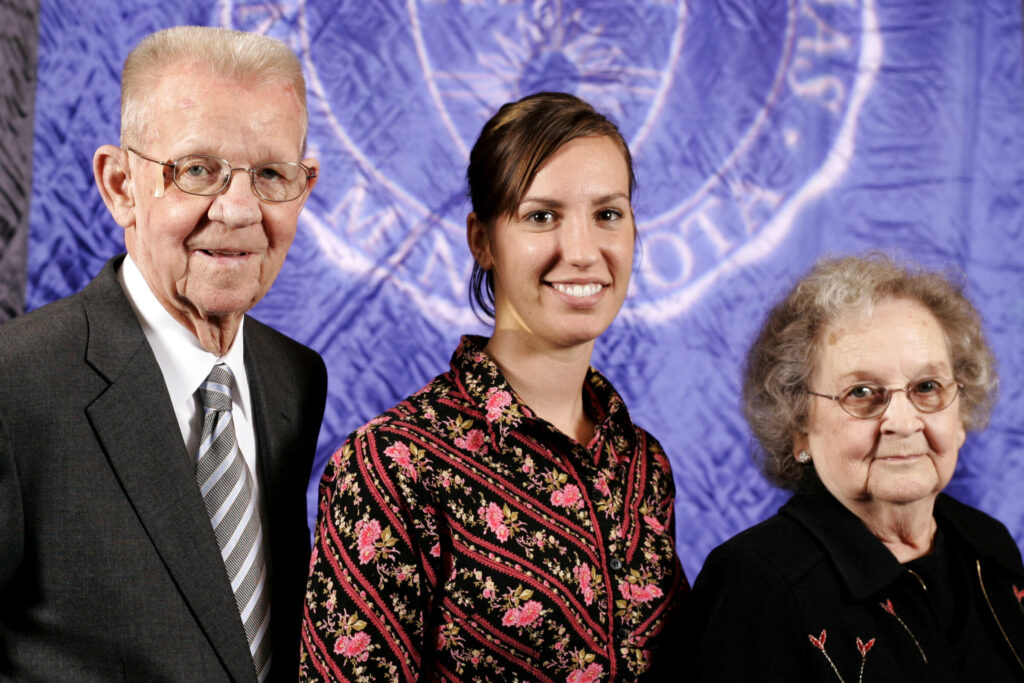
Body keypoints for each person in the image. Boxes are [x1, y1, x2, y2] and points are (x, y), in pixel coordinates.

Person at [301, 92, 686, 681]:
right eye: (541, 216)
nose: (582, 252)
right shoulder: (392, 468)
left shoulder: (641, 465)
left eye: (607, 213)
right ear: (482, 240)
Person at [0, 26, 327, 682]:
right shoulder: (15, 386)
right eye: (197, 170)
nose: (237, 210)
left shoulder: (295, 377)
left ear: (305, 185)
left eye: (270, 174)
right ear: (120, 184)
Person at [684, 253, 1024, 681]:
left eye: (927, 387)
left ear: (961, 411)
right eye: (861, 392)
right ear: (799, 425)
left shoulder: (987, 546)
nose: (902, 422)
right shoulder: (757, 583)